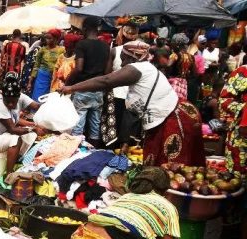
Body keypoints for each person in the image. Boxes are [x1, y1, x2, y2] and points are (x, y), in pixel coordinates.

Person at [61, 40, 205, 166]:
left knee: (170, 165)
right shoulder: (145, 68)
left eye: (123, 59)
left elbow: (105, 81)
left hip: (173, 119)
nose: (122, 63)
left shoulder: (137, 68)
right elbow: (132, 112)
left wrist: (72, 87)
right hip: (172, 115)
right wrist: (124, 143)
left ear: (132, 57)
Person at [65, 16, 111, 147]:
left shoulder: (82, 44)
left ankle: (76, 153)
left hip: (82, 89)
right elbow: (108, 72)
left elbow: (79, 68)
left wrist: (67, 83)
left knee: (78, 124)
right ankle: (93, 152)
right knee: (95, 125)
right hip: (98, 90)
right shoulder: (105, 46)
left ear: (85, 29)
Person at [29, 29, 65, 101]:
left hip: (55, 78)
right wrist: (30, 81)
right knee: (39, 97)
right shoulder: (42, 50)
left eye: (49, 38)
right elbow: (36, 65)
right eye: (46, 38)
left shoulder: (62, 50)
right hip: (42, 77)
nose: (47, 40)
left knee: (51, 98)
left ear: (56, 39)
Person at [167, 33, 197, 103]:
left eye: (173, 43)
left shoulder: (175, 55)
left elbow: (168, 65)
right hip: (184, 84)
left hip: (173, 83)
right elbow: (194, 73)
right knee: (181, 103)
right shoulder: (191, 57)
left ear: (177, 44)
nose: (171, 45)